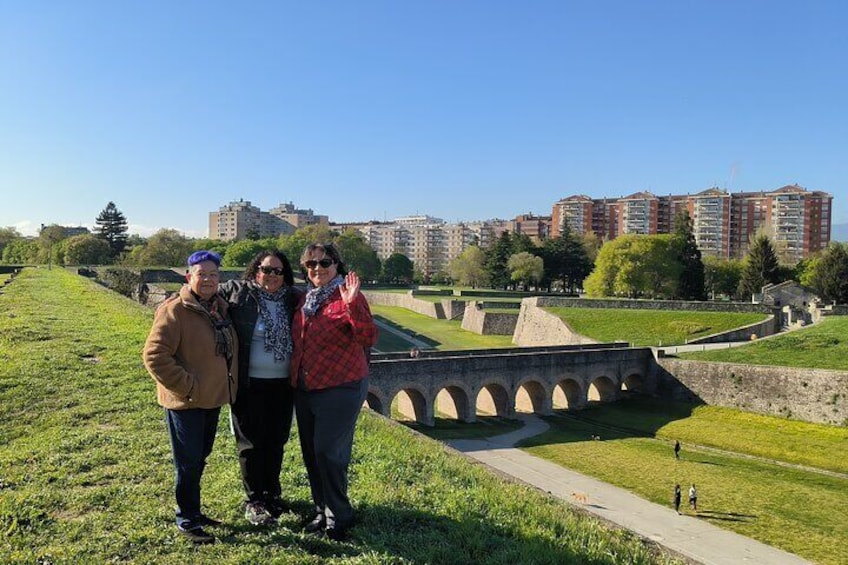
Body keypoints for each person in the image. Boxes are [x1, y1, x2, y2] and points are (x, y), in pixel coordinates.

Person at [142, 250, 237, 544]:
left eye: (213, 275)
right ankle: (187, 520)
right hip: (187, 402)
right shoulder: (175, 310)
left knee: (199, 459)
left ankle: (193, 511)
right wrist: (189, 387)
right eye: (201, 275)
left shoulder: (218, 308)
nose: (207, 280)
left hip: (211, 400)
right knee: (187, 462)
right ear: (189, 277)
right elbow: (154, 356)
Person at [290, 243, 378, 541]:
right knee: (312, 453)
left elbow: (367, 336)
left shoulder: (348, 296)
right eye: (310, 264)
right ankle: (321, 509)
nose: (317, 268)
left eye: (324, 262)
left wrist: (353, 304)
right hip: (306, 387)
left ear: (337, 265)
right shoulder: (307, 300)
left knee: (329, 453)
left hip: (341, 386)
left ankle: (339, 515)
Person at [219, 250, 300, 526]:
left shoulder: (292, 298)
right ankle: (254, 499)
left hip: (282, 384)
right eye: (267, 269)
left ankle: (272, 493)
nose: (272, 275)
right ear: (256, 271)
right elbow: (202, 289)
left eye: (278, 271)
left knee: (276, 441)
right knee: (251, 443)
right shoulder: (239, 292)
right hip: (249, 383)